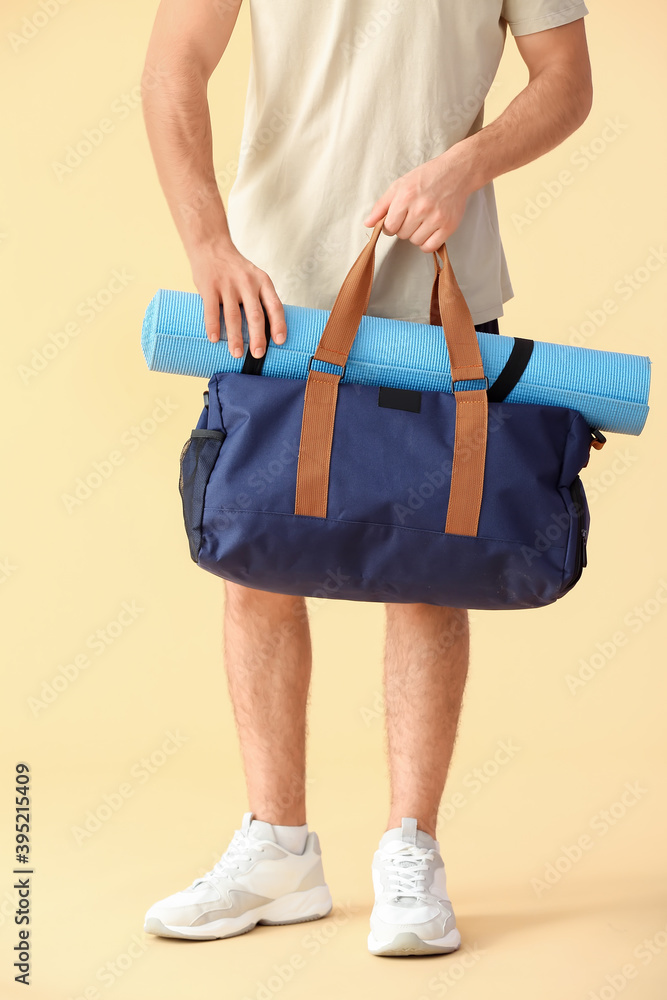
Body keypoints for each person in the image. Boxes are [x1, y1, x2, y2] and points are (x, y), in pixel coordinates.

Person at [140, 0, 592, 956]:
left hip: (440, 294)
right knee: (256, 566)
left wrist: (465, 165)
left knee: (429, 573)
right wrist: (209, 244)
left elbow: (565, 82)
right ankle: (277, 850)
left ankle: (411, 851)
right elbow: (175, 62)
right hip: (268, 294)